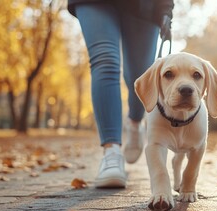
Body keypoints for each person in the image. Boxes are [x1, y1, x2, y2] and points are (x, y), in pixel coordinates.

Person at [67, 0, 174, 188]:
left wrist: (166, 7)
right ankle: (112, 153)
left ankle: (134, 122)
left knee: (140, 75)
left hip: (143, 6)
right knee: (105, 60)